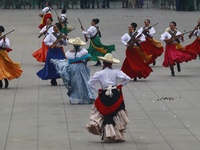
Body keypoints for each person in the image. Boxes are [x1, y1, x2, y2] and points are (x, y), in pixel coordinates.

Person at [86, 53, 131, 142]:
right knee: (116, 113)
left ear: (103, 63)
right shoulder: (116, 72)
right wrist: (120, 85)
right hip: (114, 93)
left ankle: (108, 134)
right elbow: (127, 78)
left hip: (104, 93)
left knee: (105, 113)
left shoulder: (99, 73)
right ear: (111, 64)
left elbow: (90, 83)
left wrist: (98, 90)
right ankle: (117, 134)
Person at [51, 37, 95, 104]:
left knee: (75, 83)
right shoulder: (83, 52)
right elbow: (89, 57)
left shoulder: (68, 53)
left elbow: (68, 60)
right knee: (84, 82)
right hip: (81, 67)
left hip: (72, 68)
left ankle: (75, 98)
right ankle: (87, 97)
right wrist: (85, 61)